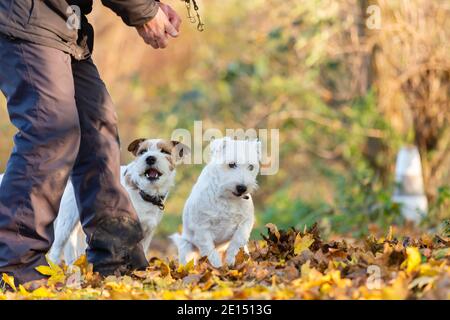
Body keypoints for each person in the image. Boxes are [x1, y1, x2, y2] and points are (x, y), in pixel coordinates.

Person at [0, 0, 181, 285]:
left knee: (97, 129)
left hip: (66, 22)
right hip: (27, 15)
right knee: (50, 130)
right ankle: (13, 267)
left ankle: (117, 257)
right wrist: (144, 10)